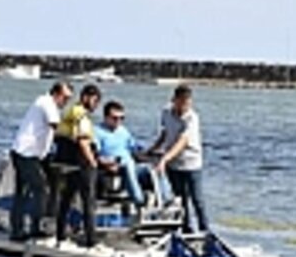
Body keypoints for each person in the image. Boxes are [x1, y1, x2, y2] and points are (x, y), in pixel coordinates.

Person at [9, 81, 71, 241]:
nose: (66, 102)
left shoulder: (48, 105)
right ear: (56, 94)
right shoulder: (47, 103)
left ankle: (20, 229)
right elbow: (56, 127)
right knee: (41, 188)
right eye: (65, 98)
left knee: (23, 193)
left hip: (30, 154)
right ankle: (34, 226)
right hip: (25, 153)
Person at [150, 85, 208, 233]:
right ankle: (185, 229)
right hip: (173, 165)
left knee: (197, 200)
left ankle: (205, 231)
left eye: (187, 102)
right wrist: (152, 149)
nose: (185, 106)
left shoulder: (192, 117)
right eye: (182, 102)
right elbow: (164, 133)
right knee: (180, 200)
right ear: (174, 100)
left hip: (191, 163)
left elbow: (182, 142)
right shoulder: (166, 112)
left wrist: (164, 159)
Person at [95, 100, 173, 208]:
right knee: (128, 165)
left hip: (130, 165)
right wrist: (107, 163)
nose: (118, 121)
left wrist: (151, 154)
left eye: (121, 118)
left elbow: (134, 148)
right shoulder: (97, 132)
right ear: (106, 117)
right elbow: (95, 155)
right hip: (114, 167)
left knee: (154, 167)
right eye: (115, 118)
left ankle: (167, 199)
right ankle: (139, 200)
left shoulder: (123, 131)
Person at [53, 84, 101, 246]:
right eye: (95, 101)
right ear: (86, 97)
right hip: (81, 162)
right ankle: (91, 240)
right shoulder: (81, 116)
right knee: (89, 202)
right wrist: (93, 163)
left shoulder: (71, 111)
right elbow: (83, 142)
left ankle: (60, 234)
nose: (96, 105)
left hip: (67, 161)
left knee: (66, 198)